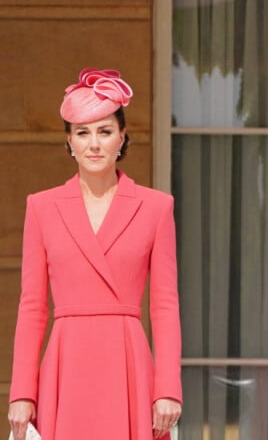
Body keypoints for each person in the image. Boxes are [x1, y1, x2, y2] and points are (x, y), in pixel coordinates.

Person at [8, 69, 182, 440]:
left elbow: (165, 306)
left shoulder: (156, 207)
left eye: (104, 131)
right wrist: (22, 392)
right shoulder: (41, 207)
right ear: (69, 141)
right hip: (66, 365)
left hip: (128, 363)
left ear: (122, 138)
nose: (94, 144)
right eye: (82, 132)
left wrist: (167, 388)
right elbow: (32, 307)